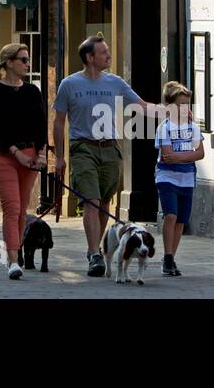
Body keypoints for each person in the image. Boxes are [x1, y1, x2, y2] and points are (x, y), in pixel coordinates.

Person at [52, 34, 156, 277]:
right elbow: (58, 123)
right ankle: (94, 254)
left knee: (104, 203)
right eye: (103, 52)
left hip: (110, 148)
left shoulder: (116, 82)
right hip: (82, 147)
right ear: (90, 57)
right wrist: (59, 156)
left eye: (107, 51)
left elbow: (142, 106)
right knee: (91, 200)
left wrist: (176, 113)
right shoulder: (69, 84)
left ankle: (96, 248)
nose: (108, 56)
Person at [0, 42, 46, 280]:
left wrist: (41, 153)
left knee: (22, 210)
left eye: (28, 59)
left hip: (30, 156)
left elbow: (40, 126)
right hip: (3, 156)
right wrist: (16, 152)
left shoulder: (32, 91)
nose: (27, 64)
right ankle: (12, 261)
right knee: (12, 207)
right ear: (8, 63)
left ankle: (16, 252)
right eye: (23, 59)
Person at [155, 81, 203, 276]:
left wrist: (181, 157)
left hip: (186, 178)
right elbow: (167, 156)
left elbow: (200, 153)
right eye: (179, 105)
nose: (184, 109)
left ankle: (171, 257)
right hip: (167, 176)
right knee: (171, 216)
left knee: (181, 220)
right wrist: (187, 156)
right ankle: (167, 256)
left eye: (186, 105)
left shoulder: (193, 127)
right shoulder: (164, 128)